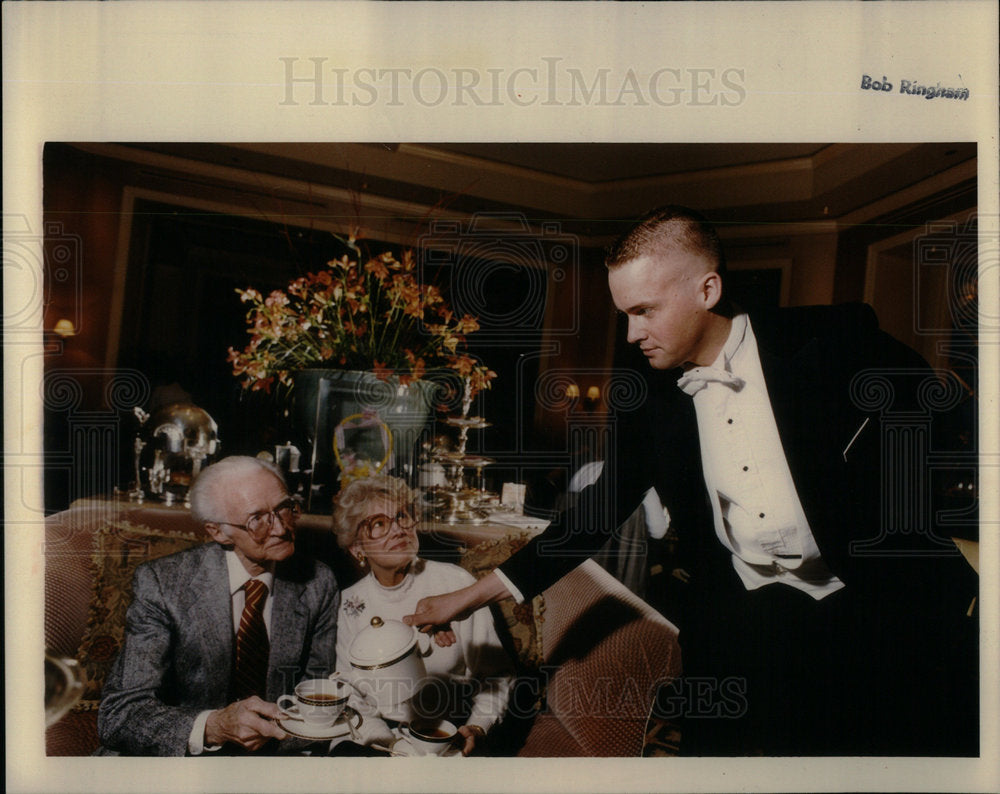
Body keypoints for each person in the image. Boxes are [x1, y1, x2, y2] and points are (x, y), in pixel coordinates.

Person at [404, 205, 978, 756]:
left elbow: (934, 412)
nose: (631, 333)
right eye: (625, 313)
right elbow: (594, 514)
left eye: (645, 311)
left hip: (866, 615)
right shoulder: (651, 398)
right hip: (742, 622)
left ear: (707, 290)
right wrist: (468, 595)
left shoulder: (831, 339)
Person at [97, 456, 339, 755]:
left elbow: (318, 696)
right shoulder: (163, 585)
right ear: (218, 532)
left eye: (284, 508)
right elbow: (120, 715)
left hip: (271, 759)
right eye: (257, 519)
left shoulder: (318, 582)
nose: (280, 528)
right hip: (180, 760)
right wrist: (214, 726)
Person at [333, 475, 513, 756]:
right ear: (357, 548)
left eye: (402, 516)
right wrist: (389, 744)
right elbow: (349, 691)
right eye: (379, 524)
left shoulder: (456, 584)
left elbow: (498, 676)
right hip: (378, 740)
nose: (398, 530)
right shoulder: (347, 604)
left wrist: (478, 726)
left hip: (448, 737)